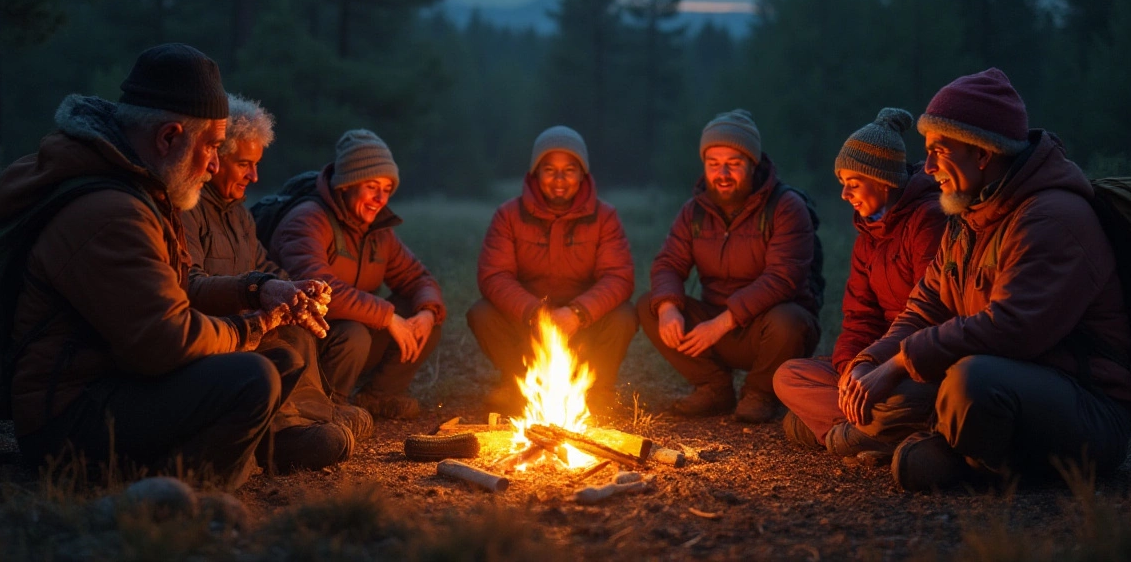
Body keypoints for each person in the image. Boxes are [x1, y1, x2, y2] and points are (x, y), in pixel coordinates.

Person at [0, 44, 328, 489]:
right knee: (253, 376)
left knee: (281, 359)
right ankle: (171, 495)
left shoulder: (141, 192)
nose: (214, 164)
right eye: (212, 146)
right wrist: (251, 327)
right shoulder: (110, 210)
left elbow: (181, 284)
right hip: (69, 413)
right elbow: (164, 342)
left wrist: (258, 289)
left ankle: (201, 465)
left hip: (116, 382)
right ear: (169, 137)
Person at [839, 68, 1131, 491]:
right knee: (892, 395)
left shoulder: (1052, 217)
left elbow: (1013, 328)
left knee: (970, 382)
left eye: (939, 151)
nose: (926, 167)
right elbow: (926, 306)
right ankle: (946, 444)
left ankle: (968, 460)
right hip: (1007, 383)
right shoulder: (970, 216)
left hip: (1085, 404)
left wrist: (902, 362)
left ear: (982, 154)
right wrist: (870, 361)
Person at [181, 93, 372, 471]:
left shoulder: (238, 215)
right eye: (244, 164)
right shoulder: (189, 209)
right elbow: (191, 286)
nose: (254, 176)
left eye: (257, 165)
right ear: (216, 158)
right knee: (283, 339)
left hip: (249, 316)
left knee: (300, 323)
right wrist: (258, 295)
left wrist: (299, 289)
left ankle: (320, 416)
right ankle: (282, 437)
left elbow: (264, 265)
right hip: (221, 333)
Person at [772, 108, 944, 458]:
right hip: (872, 364)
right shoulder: (867, 232)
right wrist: (852, 367)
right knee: (788, 376)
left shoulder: (928, 221)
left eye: (853, 183)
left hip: (914, 365)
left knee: (806, 421)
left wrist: (875, 366)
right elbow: (858, 317)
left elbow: (933, 315)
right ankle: (875, 431)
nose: (844, 194)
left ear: (883, 180)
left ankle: (845, 433)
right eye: (842, 185)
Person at [639, 109, 821, 423]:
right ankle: (714, 387)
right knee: (649, 306)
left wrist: (723, 323)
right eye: (713, 164)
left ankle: (761, 394)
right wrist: (669, 306)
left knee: (788, 320)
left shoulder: (785, 206)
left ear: (753, 164)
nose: (722, 173)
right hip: (714, 327)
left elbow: (783, 278)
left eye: (733, 164)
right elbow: (669, 262)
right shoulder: (694, 212)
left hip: (769, 331)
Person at [269, 129, 446, 420]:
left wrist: (426, 312)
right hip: (303, 342)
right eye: (372, 186)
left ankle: (375, 398)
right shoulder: (308, 219)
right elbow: (319, 292)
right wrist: (387, 316)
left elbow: (419, 278)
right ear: (347, 184)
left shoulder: (377, 232)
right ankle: (328, 408)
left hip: (345, 340)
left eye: (387, 189)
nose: (380, 198)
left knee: (425, 321)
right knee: (354, 333)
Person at [467, 126, 636, 416]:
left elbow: (618, 276)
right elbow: (494, 275)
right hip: (528, 325)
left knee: (624, 315)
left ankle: (599, 391)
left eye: (570, 169)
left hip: (584, 326)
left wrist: (578, 313)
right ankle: (519, 385)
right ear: (535, 173)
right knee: (482, 313)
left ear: (582, 174)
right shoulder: (509, 215)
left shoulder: (604, 216)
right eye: (549, 169)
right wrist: (536, 314)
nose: (559, 179)